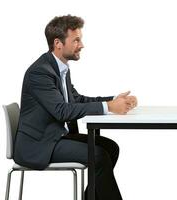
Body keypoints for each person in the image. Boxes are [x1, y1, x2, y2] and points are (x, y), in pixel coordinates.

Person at [14, 15, 137, 200]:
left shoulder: (60, 68)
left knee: (110, 148)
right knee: (99, 156)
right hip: (39, 145)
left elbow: (77, 100)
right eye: (76, 40)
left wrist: (113, 100)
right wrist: (108, 107)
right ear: (58, 43)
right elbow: (62, 111)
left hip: (55, 136)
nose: (82, 45)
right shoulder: (40, 72)